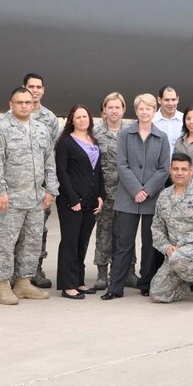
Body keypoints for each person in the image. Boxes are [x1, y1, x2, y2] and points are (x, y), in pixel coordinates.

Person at [0, 87, 58, 305]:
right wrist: (0, 191)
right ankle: (2, 285)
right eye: (20, 102)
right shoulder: (1, 130)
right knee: (5, 244)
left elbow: (49, 162)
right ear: (11, 104)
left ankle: (24, 283)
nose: (24, 106)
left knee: (32, 242)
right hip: (9, 199)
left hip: (35, 198)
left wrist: (51, 190)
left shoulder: (41, 129)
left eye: (28, 102)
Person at [103, 94, 170, 300]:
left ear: (153, 111)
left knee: (150, 244)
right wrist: (135, 190)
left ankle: (146, 282)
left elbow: (163, 169)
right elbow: (121, 165)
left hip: (152, 198)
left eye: (148, 109)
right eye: (141, 109)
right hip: (128, 198)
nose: (144, 112)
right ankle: (115, 286)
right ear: (136, 110)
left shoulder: (161, 137)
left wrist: (147, 191)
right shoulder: (125, 134)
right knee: (123, 244)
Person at [150, 153, 193, 305]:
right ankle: (189, 279)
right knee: (157, 294)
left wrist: (182, 243)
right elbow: (156, 227)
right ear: (170, 170)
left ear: (191, 171)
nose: (179, 173)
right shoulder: (164, 196)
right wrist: (166, 247)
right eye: (176, 169)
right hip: (175, 253)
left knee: (178, 258)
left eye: (184, 169)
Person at [54, 105, 104, 299]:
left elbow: (97, 171)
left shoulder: (93, 140)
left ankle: (79, 281)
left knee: (82, 242)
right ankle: (68, 286)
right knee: (70, 242)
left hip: (91, 201)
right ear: (71, 120)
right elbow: (62, 172)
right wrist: (73, 198)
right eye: (78, 117)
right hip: (71, 201)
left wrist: (101, 196)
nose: (82, 119)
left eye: (85, 116)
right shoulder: (65, 143)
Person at [23, 73, 61, 289]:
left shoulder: (50, 119)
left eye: (38, 87)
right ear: (24, 87)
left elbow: (52, 157)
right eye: (31, 86)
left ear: (43, 90)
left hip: (40, 187)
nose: (35, 90)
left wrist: (51, 188)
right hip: (17, 186)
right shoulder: (11, 115)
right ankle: (14, 273)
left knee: (39, 231)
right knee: (16, 232)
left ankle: (35, 269)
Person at [93, 92, 127, 290]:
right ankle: (101, 273)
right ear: (104, 110)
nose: (114, 111)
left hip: (126, 193)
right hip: (104, 193)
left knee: (125, 234)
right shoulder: (96, 134)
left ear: (123, 109)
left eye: (117, 107)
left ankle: (127, 271)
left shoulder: (131, 132)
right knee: (103, 233)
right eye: (110, 107)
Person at [153, 86, 184, 157]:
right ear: (159, 100)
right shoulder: (151, 121)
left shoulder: (185, 119)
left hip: (179, 166)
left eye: (173, 99)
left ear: (178, 99)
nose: (170, 103)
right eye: (167, 100)